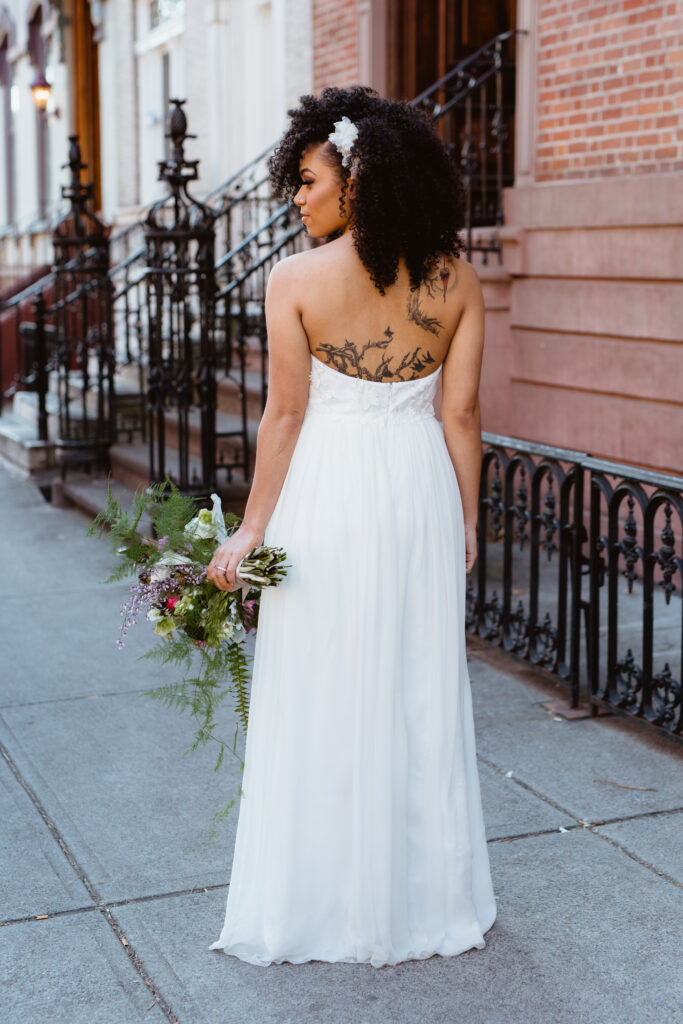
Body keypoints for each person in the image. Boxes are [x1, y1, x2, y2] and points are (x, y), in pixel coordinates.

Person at [207, 85, 496, 967]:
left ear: (356, 180)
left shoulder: (294, 281)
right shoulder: (455, 277)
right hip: (416, 493)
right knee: (415, 685)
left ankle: (320, 899)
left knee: (321, 684)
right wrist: (468, 522)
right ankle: (423, 898)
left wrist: (251, 529)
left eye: (306, 179)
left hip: (329, 489)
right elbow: (462, 415)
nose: (296, 198)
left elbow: (284, 416)